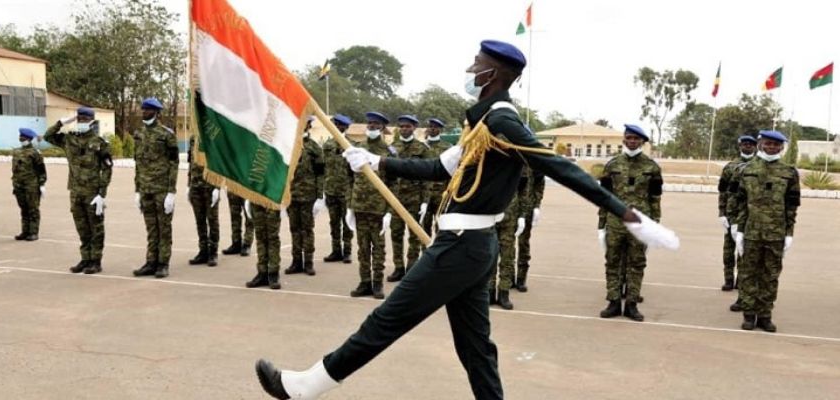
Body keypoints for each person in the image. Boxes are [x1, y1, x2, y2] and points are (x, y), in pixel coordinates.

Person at [254, 40, 677, 400]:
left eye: (476, 64)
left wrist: (626, 214)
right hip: (472, 246)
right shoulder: (480, 122)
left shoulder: (502, 120)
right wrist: (377, 162)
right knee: (476, 347)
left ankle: (306, 386)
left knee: (386, 320)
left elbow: (555, 166)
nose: (470, 69)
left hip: (461, 245)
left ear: (491, 74)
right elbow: (440, 168)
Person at [731, 130, 799, 332]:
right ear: (761, 144)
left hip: (776, 233)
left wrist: (789, 233)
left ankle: (765, 315)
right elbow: (740, 202)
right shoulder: (746, 170)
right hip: (751, 232)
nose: (771, 147)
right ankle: (749, 315)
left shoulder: (789, 173)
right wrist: (738, 229)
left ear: (781, 147)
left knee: (770, 275)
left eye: (776, 145)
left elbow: (791, 206)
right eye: (768, 144)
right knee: (748, 274)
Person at [597, 124, 663, 322]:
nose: (632, 141)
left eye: (636, 139)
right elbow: (603, 197)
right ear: (624, 140)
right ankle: (614, 302)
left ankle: (632, 304)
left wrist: (655, 226)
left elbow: (655, 199)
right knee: (613, 262)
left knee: (637, 263)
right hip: (615, 222)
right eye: (629, 138)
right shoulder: (611, 165)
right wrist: (601, 225)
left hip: (640, 223)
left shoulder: (652, 167)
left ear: (642, 141)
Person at [43, 107, 113, 273]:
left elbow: (107, 169)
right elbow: (48, 136)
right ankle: (85, 258)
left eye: (84, 119)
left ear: (91, 121)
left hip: (92, 192)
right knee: (81, 227)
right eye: (79, 118)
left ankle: (95, 261)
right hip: (75, 191)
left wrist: (102, 194)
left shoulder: (99, 143)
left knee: (95, 228)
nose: (81, 121)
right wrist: (61, 122)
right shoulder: (69, 140)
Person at [347, 111, 395, 300]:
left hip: (378, 208)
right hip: (360, 206)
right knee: (362, 248)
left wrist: (390, 212)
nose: (372, 127)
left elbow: (394, 184)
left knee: (379, 248)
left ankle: (377, 284)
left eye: (376, 124)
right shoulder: (358, 148)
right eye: (370, 124)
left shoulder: (388, 152)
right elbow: (350, 179)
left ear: (383, 128)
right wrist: (350, 205)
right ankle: (364, 282)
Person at [131, 97, 179, 279]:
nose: (144, 113)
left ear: (157, 112)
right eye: (143, 110)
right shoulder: (139, 134)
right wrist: (137, 190)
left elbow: (174, 164)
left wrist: (171, 192)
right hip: (145, 189)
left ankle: (163, 263)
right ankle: (151, 262)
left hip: (161, 189)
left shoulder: (167, 135)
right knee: (151, 228)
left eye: (148, 110)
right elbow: (138, 164)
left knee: (164, 229)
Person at [387, 114, 429, 282]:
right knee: (396, 234)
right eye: (402, 126)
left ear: (414, 128)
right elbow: (388, 176)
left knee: (414, 235)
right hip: (396, 199)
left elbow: (427, 176)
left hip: (414, 199)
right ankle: (398, 267)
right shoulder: (392, 147)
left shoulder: (422, 149)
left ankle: (412, 268)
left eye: (408, 126)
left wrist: (425, 200)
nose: (405, 129)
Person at [285, 116, 325, 276]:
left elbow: (321, 174)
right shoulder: (287, 146)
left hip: (308, 196)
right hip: (291, 195)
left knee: (307, 230)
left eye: (304, 124)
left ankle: (308, 262)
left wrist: (320, 196)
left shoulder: (314, 148)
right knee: (294, 229)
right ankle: (296, 262)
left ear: (308, 126)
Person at [717, 135, 756, 291]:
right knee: (728, 251)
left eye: (750, 145)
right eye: (744, 144)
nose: (747, 147)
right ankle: (728, 279)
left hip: (748, 216)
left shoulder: (758, 166)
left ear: (755, 147)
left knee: (743, 251)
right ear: (740, 146)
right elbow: (722, 191)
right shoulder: (730, 167)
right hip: (731, 214)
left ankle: (741, 280)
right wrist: (721, 212)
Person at [488, 172, 528, 310]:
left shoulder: (518, 163)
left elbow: (524, 191)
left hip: (510, 216)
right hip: (490, 214)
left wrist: (522, 215)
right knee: (490, 255)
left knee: (507, 256)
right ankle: (490, 291)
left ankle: (504, 292)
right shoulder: (489, 162)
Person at [322, 114, 355, 264]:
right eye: (335, 124)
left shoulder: (352, 146)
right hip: (330, 190)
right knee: (334, 223)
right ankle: (336, 251)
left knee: (347, 223)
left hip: (346, 191)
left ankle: (347, 252)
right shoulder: (327, 145)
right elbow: (324, 168)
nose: (336, 127)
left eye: (339, 125)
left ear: (345, 127)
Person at [187, 135, 220, 267]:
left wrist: (217, 187)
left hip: (210, 185)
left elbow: (219, 163)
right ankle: (203, 250)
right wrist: (188, 184)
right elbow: (190, 163)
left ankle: (213, 252)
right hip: (195, 185)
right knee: (199, 220)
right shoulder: (193, 138)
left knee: (212, 219)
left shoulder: (213, 136)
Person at [11, 128, 47, 241]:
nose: (21, 139)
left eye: (23, 137)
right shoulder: (16, 151)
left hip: (32, 185)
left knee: (33, 209)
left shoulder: (35, 153)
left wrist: (42, 184)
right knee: (23, 209)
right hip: (18, 185)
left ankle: (33, 232)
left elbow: (41, 170)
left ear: (29, 139)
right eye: (20, 137)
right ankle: (25, 231)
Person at [420, 118, 452, 237]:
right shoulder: (422, 147)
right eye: (430, 126)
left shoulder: (447, 147)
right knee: (424, 228)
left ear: (440, 129)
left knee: (442, 227)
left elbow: (452, 171)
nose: (432, 129)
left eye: (436, 127)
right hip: (424, 193)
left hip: (442, 193)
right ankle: (426, 252)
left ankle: (440, 254)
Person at [515, 167, 544, 292]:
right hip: (510, 206)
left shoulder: (534, 164)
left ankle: (521, 278)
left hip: (528, 208)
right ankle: (508, 277)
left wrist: (537, 205)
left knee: (523, 243)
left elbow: (539, 185)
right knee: (507, 245)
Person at [245, 201, 283, 290]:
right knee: (260, 237)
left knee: (272, 237)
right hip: (256, 199)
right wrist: (248, 198)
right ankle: (262, 272)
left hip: (272, 198)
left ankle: (273, 273)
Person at [223, 192, 253, 257]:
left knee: (249, 217)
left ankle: (247, 244)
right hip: (233, 186)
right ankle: (236, 242)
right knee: (234, 215)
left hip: (247, 186)